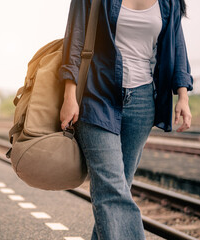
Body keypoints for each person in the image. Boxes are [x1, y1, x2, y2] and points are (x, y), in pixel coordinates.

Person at [59, 0, 193, 239]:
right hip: (98, 94)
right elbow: (75, 38)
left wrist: (182, 96)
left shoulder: (169, 2)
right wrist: (70, 95)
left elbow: (177, 44)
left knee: (119, 190)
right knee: (111, 190)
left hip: (142, 101)